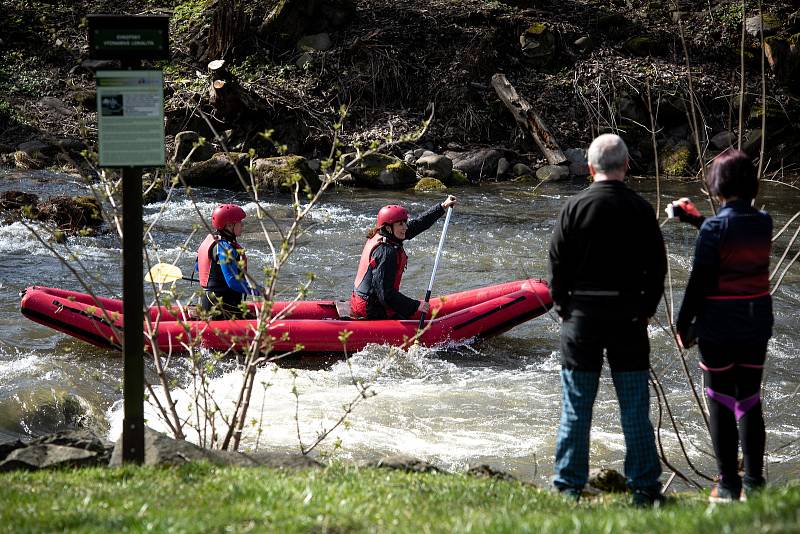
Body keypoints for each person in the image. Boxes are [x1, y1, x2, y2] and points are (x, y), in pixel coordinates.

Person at [548, 133, 667, 506]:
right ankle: (644, 489)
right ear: (626, 165)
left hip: (581, 319)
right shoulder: (640, 209)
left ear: (589, 167)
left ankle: (568, 487)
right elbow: (657, 270)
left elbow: (556, 267)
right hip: (628, 320)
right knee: (634, 407)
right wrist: (645, 310)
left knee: (577, 406)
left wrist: (565, 308)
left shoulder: (574, 207)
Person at [672, 149, 773, 503]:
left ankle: (729, 485)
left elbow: (699, 283)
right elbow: (730, 237)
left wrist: (682, 325)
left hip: (718, 328)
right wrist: (698, 221)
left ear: (716, 187)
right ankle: (756, 483)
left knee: (720, 401)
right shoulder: (764, 222)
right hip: (755, 323)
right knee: (749, 399)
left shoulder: (716, 229)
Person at [351, 195, 457, 320]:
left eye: (405, 222)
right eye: (401, 224)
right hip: (371, 309)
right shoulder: (385, 252)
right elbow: (386, 294)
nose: (405, 227)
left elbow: (418, 224)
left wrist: (442, 207)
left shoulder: (384, 234)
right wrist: (416, 305)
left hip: (365, 300)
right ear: (388, 228)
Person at [196, 203, 260, 318]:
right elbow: (232, 282)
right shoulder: (225, 249)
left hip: (209, 301)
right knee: (262, 323)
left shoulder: (211, 240)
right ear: (229, 226)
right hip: (220, 306)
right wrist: (259, 291)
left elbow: (198, 268)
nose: (242, 225)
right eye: (239, 223)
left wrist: (216, 281)